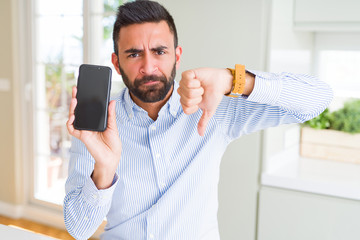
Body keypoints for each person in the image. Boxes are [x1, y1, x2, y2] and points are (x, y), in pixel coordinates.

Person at [64, 1, 333, 239]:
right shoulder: (95, 129)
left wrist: (233, 80)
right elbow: (78, 229)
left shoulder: (214, 107)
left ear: (177, 56)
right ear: (116, 62)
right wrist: (105, 169)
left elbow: (317, 99)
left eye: (159, 51)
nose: (148, 67)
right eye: (134, 54)